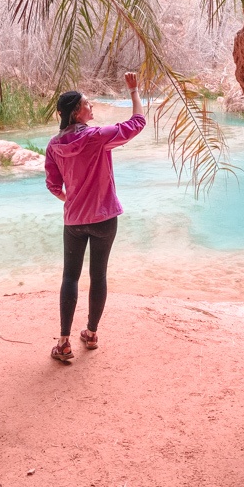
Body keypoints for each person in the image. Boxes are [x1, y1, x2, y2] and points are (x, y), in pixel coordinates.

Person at [45, 72, 145, 361]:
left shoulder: (54, 145)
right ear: (76, 113)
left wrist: (72, 199)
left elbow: (53, 186)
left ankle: (63, 342)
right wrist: (134, 91)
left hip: (74, 221)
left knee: (70, 277)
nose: (92, 108)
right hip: (104, 219)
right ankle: (90, 334)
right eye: (88, 104)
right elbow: (137, 123)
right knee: (98, 275)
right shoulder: (97, 137)